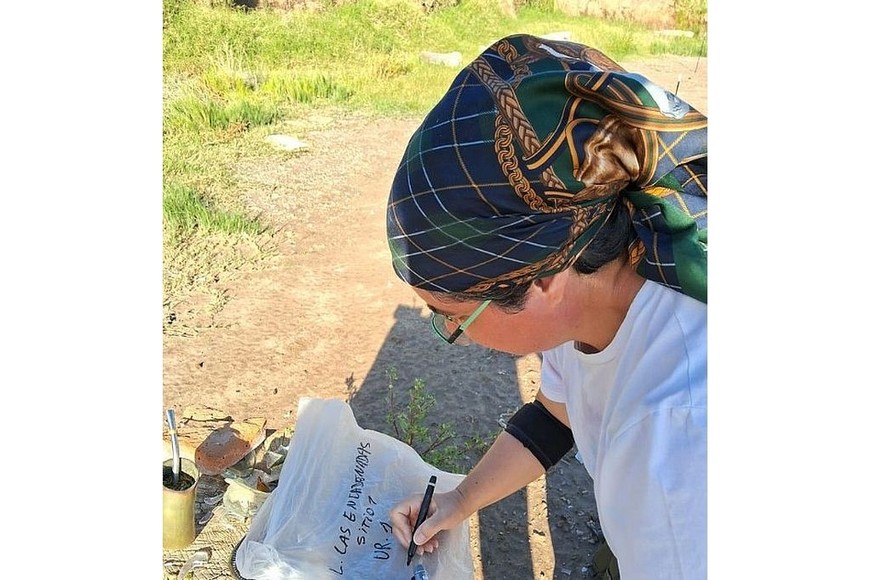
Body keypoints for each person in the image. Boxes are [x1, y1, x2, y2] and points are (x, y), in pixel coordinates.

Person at [385, 34, 707, 579]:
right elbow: (555, 415)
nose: (445, 328)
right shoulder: (597, 287)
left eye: (455, 317)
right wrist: (459, 501)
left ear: (544, 280)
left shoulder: (680, 443)